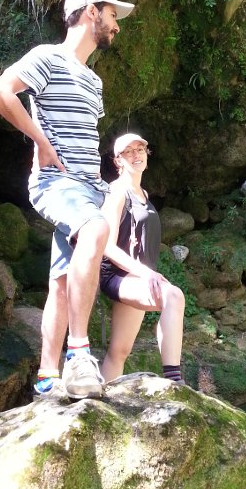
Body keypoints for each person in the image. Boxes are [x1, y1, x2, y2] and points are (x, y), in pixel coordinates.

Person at [0, 0, 135, 399]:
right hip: (56, 183)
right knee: (95, 229)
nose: (117, 26)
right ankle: (79, 355)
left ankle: (48, 377)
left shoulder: (93, 81)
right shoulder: (47, 57)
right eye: (112, 15)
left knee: (62, 282)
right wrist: (40, 141)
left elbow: (84, 139)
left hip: (87, 188)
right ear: (91, 11)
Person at [99, 133, 185, 384]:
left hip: (138, 277)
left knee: (119, 351)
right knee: (173, 296)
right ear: (118, 160)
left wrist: (144, 273)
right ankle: (174, 380)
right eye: (128, 151)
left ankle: (100, 400)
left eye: (140, 149)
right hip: (118, 275)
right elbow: (107, 246)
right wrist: (146, 273)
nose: (136, 155)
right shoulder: (117, 192)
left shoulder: (143, 193)